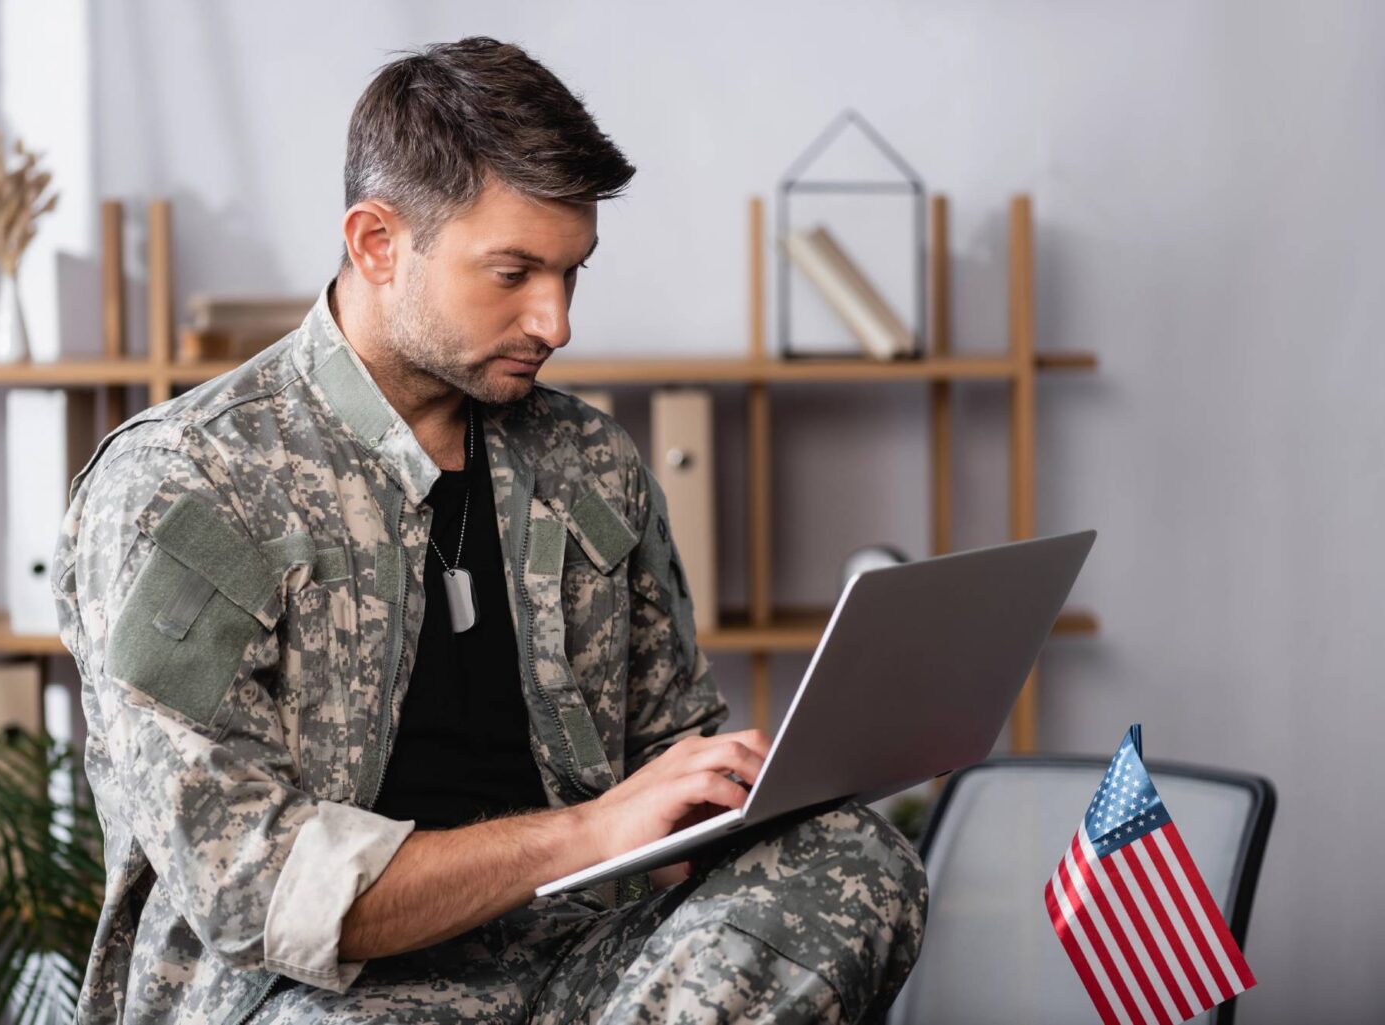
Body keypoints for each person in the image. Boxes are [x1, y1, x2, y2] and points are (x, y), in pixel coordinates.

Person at [52, 36, 926, 1025]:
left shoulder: (588, 461)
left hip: (583, 970)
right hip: (303, 994)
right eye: (513, 272)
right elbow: (255, 891)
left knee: (853, 860)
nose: (555, 322)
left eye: (571, 273)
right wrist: (588, 831)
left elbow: (667, 764)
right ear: (377, 243)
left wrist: (739, 795)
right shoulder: (189, 483)